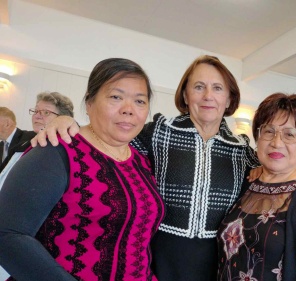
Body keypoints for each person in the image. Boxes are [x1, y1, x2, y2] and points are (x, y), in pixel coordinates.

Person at [31, 55, 261, 280]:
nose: (208, 96)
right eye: (199, 87)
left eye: (218, 88)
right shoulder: (157, 132)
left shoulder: (242, 151)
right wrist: (68, 123)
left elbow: (276, 182)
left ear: (230, 99)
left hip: (215, 265)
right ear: (185, 94)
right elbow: (107, 138)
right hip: (152, 261)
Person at [0, 58, 165, 280]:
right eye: (116, 97)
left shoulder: (142, 162)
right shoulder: (56, 150)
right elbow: (7, 234)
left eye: (140, 101)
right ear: (89, 102)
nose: (128, 110)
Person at [217, 93, 296, 281]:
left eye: (290, 134)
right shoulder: (245, 183)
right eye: (268, 131)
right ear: (258, 137)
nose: (276, 142)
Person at [0, 92, 74, 188]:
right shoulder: (23, 146)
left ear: (62, 118)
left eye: (46, 112)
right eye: (35, 111)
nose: (37, 116)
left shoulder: (65, 150)